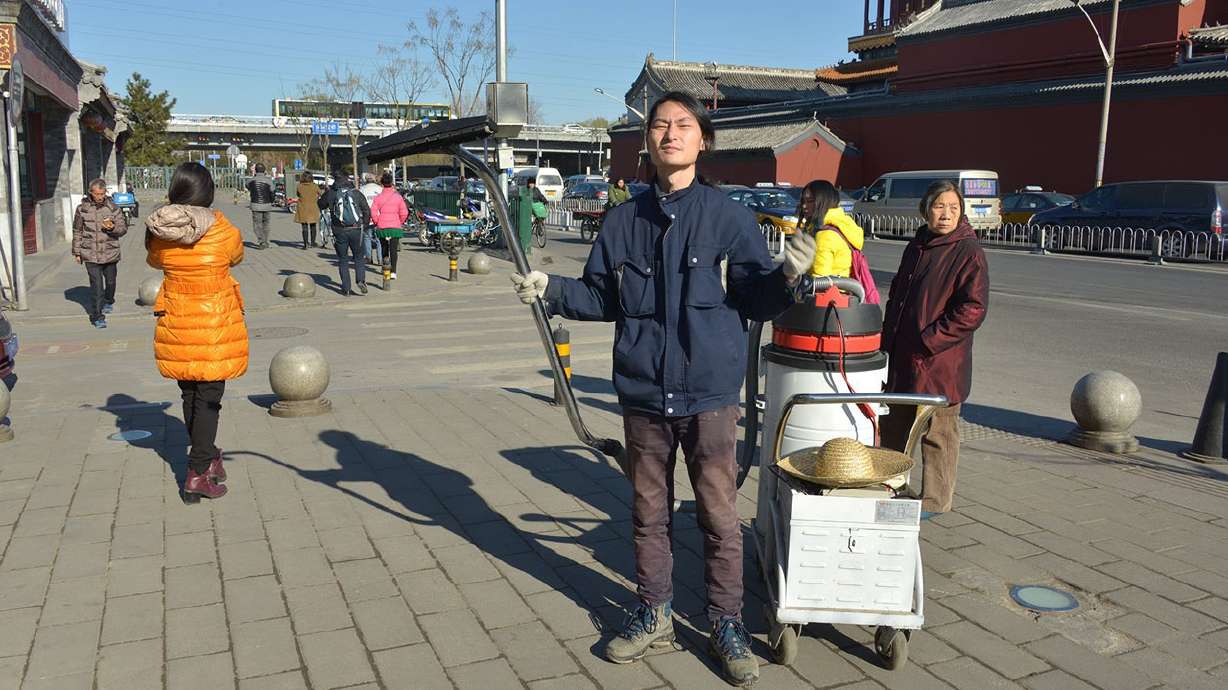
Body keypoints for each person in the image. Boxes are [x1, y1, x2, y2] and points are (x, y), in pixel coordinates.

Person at [510, 91, 816, 687]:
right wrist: (552, 289)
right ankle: (654, 611)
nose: (670, 133)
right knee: (648, 512)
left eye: (683, 125)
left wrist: (785, 276)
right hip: (645, 395)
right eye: (659, 125)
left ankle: (726, 622)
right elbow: (601, 296)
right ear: (647, 141)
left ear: (703, 140)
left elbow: (756, 300)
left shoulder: (728, 218)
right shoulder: (622, 221)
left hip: (709, 397)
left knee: (718, 516)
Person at [879, 180, 989, 520]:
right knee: (894, 425)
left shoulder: (968, 251)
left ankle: (935, 500)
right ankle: (891, 485)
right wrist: (888, 339)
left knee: (938, 432)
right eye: (940, 206)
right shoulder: (917, 245)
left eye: (953, 208)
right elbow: (898, 294)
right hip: (903, 355)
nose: (946, 214)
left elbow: (972, 309)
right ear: (926, 210)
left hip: (940, 361)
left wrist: (931, 340)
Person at [145, 162, 249, 501]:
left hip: (178, 320)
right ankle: (197, 472)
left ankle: (209, 455)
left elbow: (155, 261)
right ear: (208, 192)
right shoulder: (222, 229)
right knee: (209, 400)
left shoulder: (160, 228)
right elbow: (236, 257)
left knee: (190, 393)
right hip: (215, 322)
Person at [72, 178, 128, 328]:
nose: (100, 197)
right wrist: (77, 252)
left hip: (110, 251)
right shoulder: (82, 209)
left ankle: (109, 300)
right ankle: (97, 316)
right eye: (97, 194)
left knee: (110, 282)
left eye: (102, 194)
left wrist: (112, 228)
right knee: (97, 286)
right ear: (91, 193)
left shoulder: (113, 208)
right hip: (90, 252)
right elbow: (77, 231)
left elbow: (123, 229)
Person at [796, 179, 864, 278]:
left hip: (828, 287)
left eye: (810, 201)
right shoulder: (843, 224)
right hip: (842, 286)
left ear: (824, 202)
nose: (804, 206)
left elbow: (820, 279)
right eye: (803, 201)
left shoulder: (825, 236)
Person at [319, 172, 371, 295]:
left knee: (343, 259)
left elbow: (320, 205)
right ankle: (360, 280)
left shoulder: (331, 193)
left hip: (339, 230)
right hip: (356, 229)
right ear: (347, 179)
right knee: (359, 257)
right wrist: (364, 225)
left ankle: (346, 288)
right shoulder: (356, 193)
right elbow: (366, 210)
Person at [370, 171, 408, 279]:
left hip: (382, 226)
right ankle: (393, 272)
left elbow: (373, 212)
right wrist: (400, 221)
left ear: (382, 184)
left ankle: (385, 267)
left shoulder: (378, 198)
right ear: (391, 183)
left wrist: (377, 221)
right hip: (395, 227)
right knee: (393, 250)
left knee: (384, 248)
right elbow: (404, 212)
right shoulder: (398, 197)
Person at [245, 163, 276, 249]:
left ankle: (261, 241)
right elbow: (273, 191)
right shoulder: (269, 181)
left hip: (255, 205)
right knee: (266, 223)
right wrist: (271, 201)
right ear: (264, 171)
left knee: (257, 224)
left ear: (255, 170)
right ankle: (265, 241)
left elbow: (247, 186)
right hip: (267, 205)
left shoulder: (250, 181)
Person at [294, 171, 322, 249]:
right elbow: (321, 194)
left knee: (304, 226)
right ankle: (313, 242)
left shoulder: (299, 186)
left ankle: (305, 244)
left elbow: (298, 194)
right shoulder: (315, 186)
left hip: (302, 208)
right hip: (313, 208)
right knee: (313, 226)